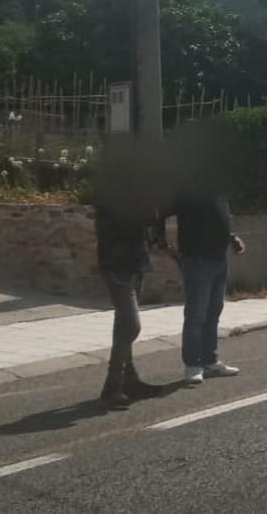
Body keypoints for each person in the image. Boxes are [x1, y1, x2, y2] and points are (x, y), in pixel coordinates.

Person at [158, 123, 247, 384]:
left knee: (213, 311)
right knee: (196, 313)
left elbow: (218, 218)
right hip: (196, 257)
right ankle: (192, 365)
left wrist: (232, 237)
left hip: (218, 256)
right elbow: (159, 212)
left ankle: (210, 360)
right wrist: (161, 242)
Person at [93, 137, 166, 409]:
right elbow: (145, 215)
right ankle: (112, 385)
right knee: (131, 324)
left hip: (135, 261)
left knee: (122, 324)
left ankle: (129, 379)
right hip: (118, 264)